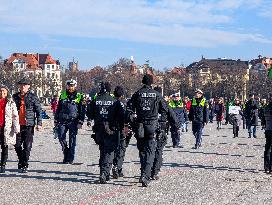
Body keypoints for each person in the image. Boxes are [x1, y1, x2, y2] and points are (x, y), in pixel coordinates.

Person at [130, 74, 168, 187]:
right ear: (151, 83)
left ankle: (143, 172)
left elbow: (129, 110)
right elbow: (165, 110)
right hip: (152, 125)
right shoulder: (157, 94)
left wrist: (133, 122)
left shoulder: (137, 94)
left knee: (142, 150)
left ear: (142, 82)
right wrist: (161, 123)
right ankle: (146, 176)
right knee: (150, 151)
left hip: (140, 125)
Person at [86, 81, 116, 184]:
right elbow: (120, 115)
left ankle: (102, 172)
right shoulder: (113, 101)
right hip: (110, 129)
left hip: (99, 129)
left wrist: (91, 120)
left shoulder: (96, 100)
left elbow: (89, 113)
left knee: (102, 150)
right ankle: (104, 172)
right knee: (109, 152)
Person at [13, 78, 42, 173]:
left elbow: (38, 111)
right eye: (21, 85)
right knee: (17, 145)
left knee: (27, 145)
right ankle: (21, 160)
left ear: (28, 86)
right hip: (17, 125)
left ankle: (25, 164)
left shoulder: (33, 97)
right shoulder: (14, 97)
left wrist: (39, 123)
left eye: (25, 85)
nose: (23, 86)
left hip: (29, 125)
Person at [54, 79, 85, 164]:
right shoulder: (62, 95)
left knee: (72, 140)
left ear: (75, 86)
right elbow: (58, 108)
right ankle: (66, 153)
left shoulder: (79, 96)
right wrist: (56, 119)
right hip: (62, 120)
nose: (70, 87)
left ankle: (70, 158)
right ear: (66, 86)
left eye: (72, 85)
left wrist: (80, 122)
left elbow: (82, 110)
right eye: (69, 85)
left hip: (73, 121)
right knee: (61, 137)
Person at [151, 86, 179, 180]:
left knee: (148, 151)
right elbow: (172, 115)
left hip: (149, 129)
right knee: (158, 151)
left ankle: (146, 172)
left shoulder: (149, 103)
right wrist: (176, 126)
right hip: (161, 129)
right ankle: (154, 172)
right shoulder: (164, 103)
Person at [0, 85, 20, 173]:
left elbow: (15, 116)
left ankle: (2, 165)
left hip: (6, 127)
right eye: (0, 91)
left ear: (7, 92)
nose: (2, 93)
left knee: (5, 146)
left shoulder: (10, 102)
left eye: (4, 91)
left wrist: (16, 128)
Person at [110, 86, 127, 179]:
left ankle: (114, 166)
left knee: (113, 149)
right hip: (121, 128)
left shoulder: (111, 102)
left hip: (111, 128)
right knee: (121, 149)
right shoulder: (123, 103)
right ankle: (118, 167)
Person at [264, 96, 272, 174]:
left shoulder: (266, 108)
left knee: (267, 148)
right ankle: (270, 167)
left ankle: (266, 167)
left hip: (268, 129)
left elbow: (262, 119)